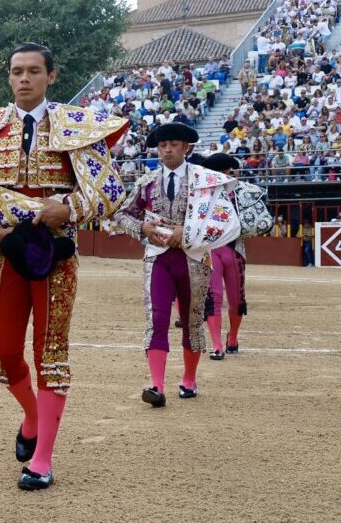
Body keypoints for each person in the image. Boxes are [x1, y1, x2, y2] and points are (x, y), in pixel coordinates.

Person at [0, 44, 130, 491]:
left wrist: (67, 209)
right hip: (5, 252)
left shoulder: (76, 125)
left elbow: (110, 191)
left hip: (57, 256)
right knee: (3, 355)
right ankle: (32, 416)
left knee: (50, 354)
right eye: (17, 72)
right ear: (9, 78)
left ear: (52, 76)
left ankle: (43, 459)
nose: (24, 79)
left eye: (34, 71)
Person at [113, 123, 240, 409]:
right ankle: (156, 385)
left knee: (192, 320)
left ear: (187, 148)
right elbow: (121, 215)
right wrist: (142, 228)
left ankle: (189, 379)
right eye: (162, 145)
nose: (167, 150)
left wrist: (191, 231)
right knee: (156, 318)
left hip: (193, 259)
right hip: (158, 258)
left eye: (173, 144)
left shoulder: (206, 180)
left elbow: (225, 219)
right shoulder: (146, 182)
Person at [201, 153, 272, 358]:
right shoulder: (201, 193)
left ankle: (232, 337)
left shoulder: (241, 193)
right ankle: (216, 345)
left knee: (236, 299)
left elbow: (261, 222)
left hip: (234, 249)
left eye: (224, 171)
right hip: (211, 249)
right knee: (213, 296)